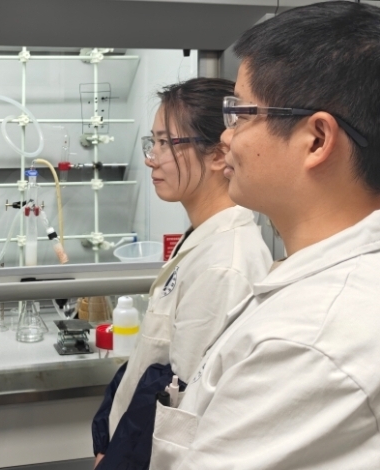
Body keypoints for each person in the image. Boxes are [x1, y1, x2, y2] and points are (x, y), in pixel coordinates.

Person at [150, 2, 380, 468]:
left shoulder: (308, 341)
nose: (226, 138)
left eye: (240, 114)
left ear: (316, 140)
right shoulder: (313, 286)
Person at [93, 78, 272, 468]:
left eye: (166, 143)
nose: (151, 158)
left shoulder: (224, 265)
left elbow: (184, 407)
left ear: (219, 154)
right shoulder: (201, 239)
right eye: (152, 142)